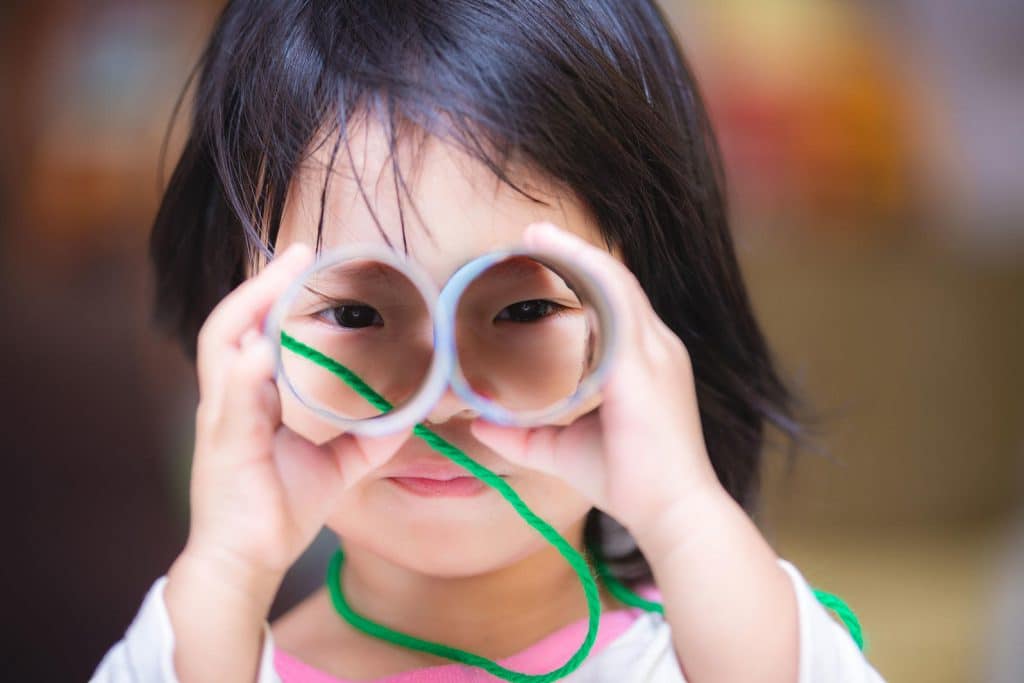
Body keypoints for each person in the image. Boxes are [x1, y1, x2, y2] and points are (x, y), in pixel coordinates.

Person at [91, 1, 886, 681]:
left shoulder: (728, 651)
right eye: (359, 316)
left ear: (652, 321)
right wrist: (227, 567)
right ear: (248, 332)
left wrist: (681, 511)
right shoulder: (212, 660)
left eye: (522, 311)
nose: (440, 398)